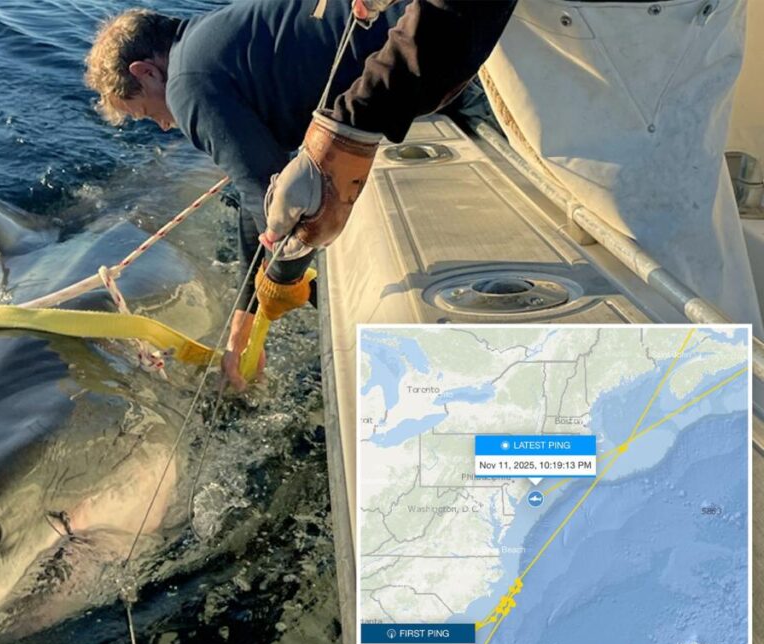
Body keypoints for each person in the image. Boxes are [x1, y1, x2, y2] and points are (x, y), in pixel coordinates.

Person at [85, 0, 516, 389]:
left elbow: (281, 208)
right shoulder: (211, 42)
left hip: (438, 43)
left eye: (148, 112)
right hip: (458, 47)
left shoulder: (186, 87)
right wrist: (244, 317)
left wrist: (288, 286)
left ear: (145, 71)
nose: (164, 125)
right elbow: (261, 192)